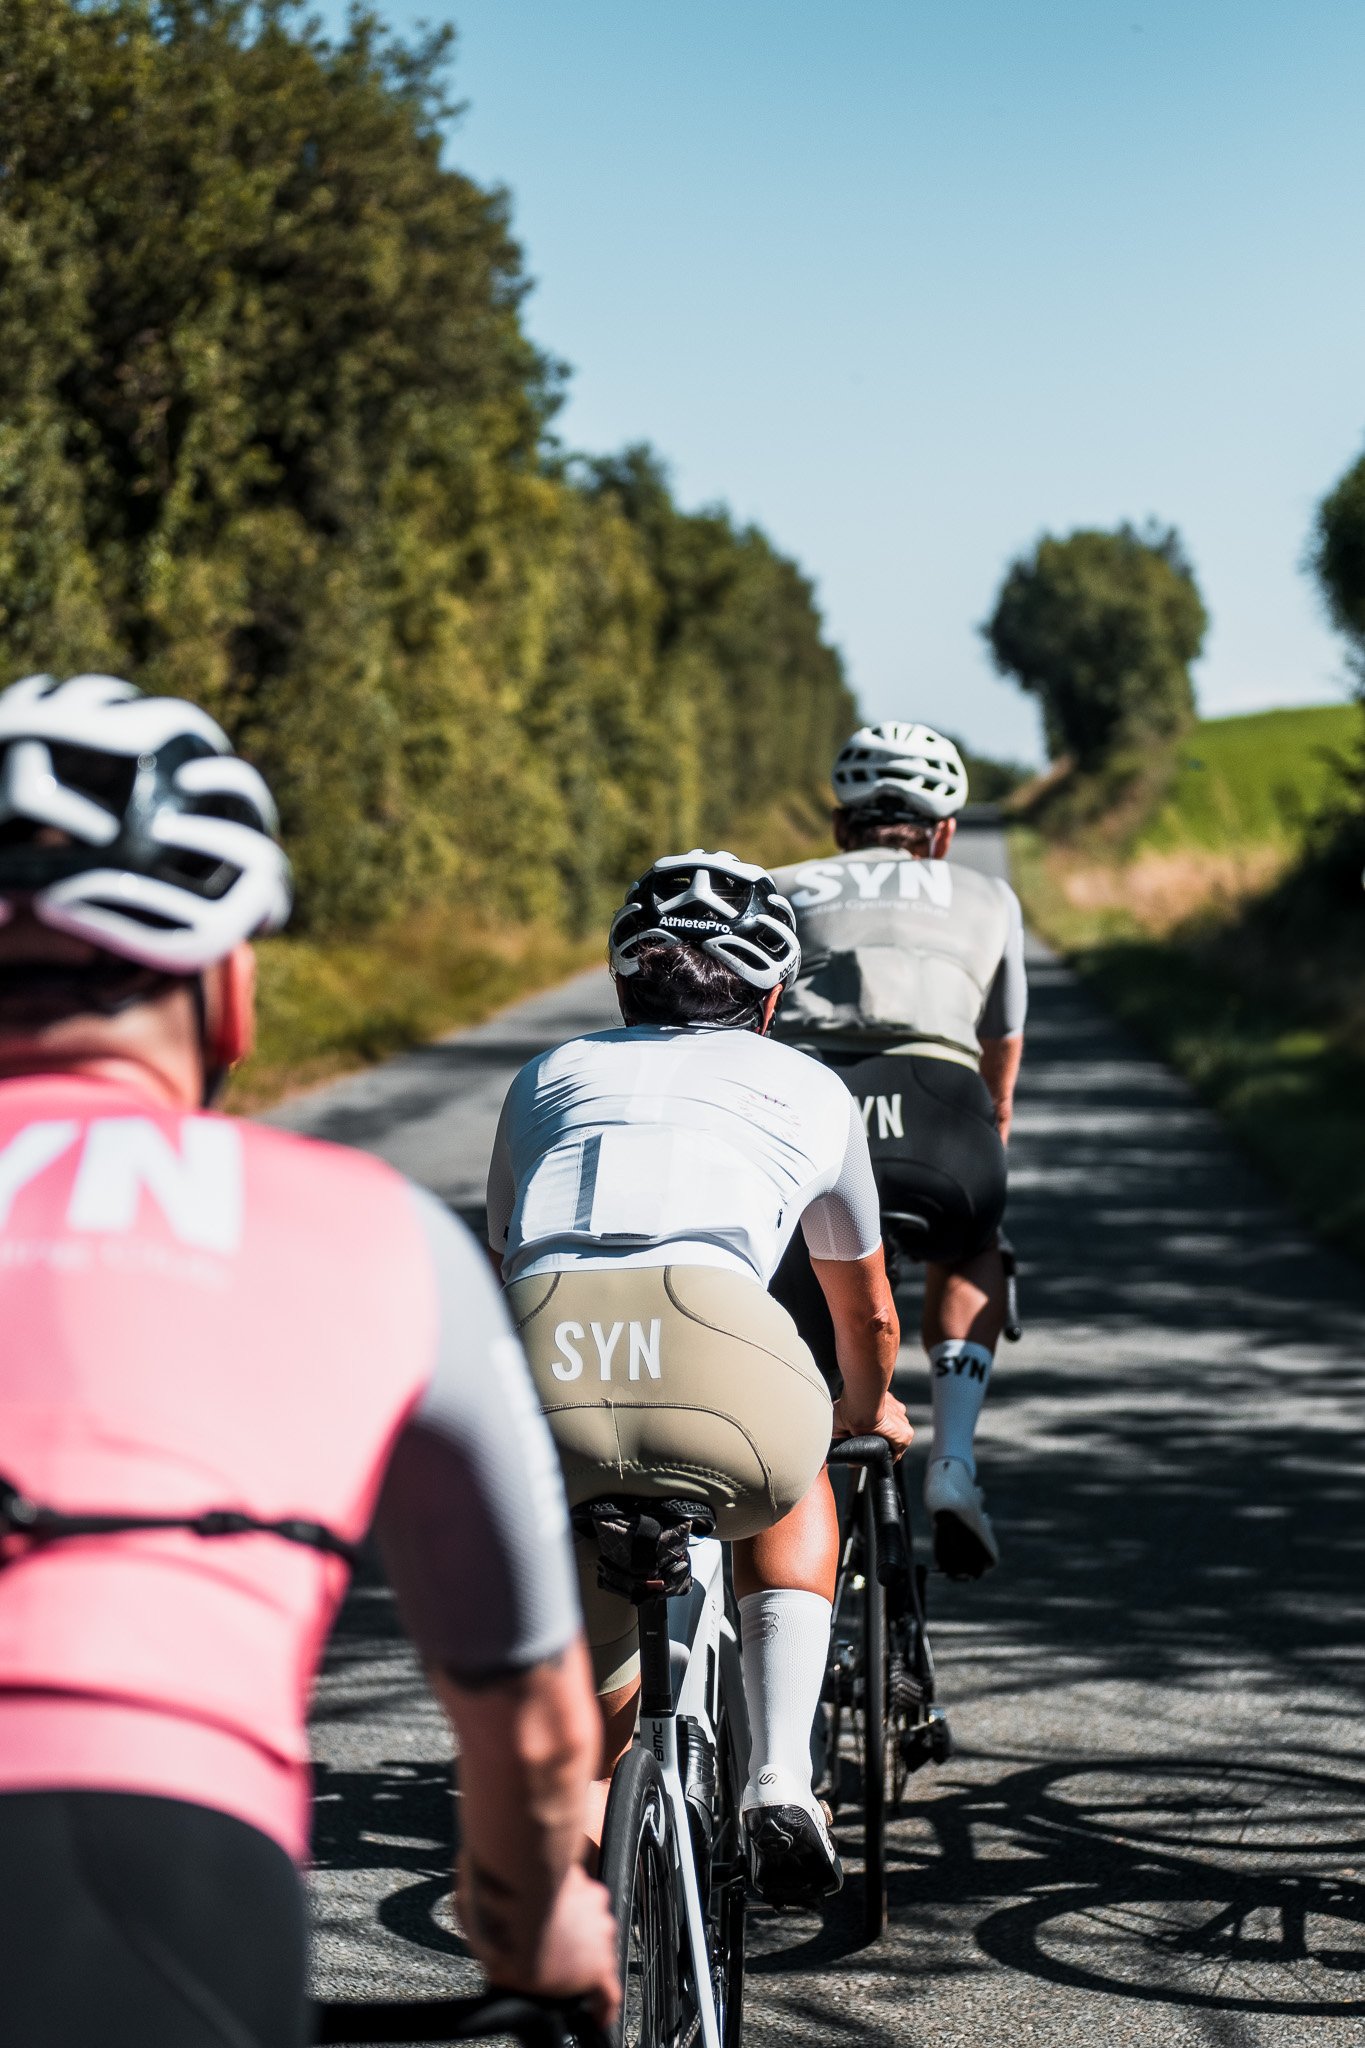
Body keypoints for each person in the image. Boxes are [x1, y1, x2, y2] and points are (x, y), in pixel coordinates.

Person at [0, 672, 618, 2048]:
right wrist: (536, 1935)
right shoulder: (374, 1231)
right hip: (149, 1860)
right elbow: (527, 1714)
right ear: (227, 985)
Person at [486, 849, 911, 1909]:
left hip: (545, 1363)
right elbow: (862, 1309)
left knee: (595, 1738)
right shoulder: (810, 1083)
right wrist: (863, 1410)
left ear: (625, 980)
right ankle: (781, 1781)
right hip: (719, 1349)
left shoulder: (546, 1075)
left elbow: (509, 1251)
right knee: (800, 1457)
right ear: (772, 996)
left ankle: (581, 1927)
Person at [769, 722, 1027, 1581]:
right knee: (970, 1242)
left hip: (812, 1115)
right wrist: (981, 1169)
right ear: (943, 833)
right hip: (942, 1118)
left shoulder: (781, 887)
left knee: (805, 1295)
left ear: (841, 826)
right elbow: (1000, 1063)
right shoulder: (987, 896)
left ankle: (793, 1489)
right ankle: (953, 1459)